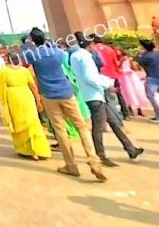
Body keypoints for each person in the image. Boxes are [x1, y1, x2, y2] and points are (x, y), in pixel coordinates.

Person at [24, 28, 106, 181]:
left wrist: (31, 45)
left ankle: (71, 165)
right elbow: (64, 57)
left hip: (48, 95)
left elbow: (25, 57)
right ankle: (93, 160)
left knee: (60, 130)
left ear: (33, 40)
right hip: (66, 92)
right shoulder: (56, 52)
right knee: (81, 126)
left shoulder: (32, 55)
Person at [69, 36, 143, 167]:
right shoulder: (85, 57)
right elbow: (90, 78)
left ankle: (131, 149)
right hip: (94, 94)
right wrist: (108, 85)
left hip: (92, 94)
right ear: (90, 44)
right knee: (98, 126)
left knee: (113, 123)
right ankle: (100, 154)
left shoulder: (75, 56)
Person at [0, 51, 51, 160]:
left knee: (18, 123)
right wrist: (38, 100)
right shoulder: (24, 71)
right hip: (27, 95)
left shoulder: (3, 71)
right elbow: (33, 86)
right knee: (33, 122)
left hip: (13, 98)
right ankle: (40, 150)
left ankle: (26, 150)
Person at [115, 49, 148, 117]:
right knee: (127, 92)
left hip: (129, 76)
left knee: (135, 91)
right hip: (124, 76)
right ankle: (130, 109)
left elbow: (134, 68)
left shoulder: (129, 60)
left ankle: (138, 109)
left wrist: (130, 63)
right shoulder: (119, 60)